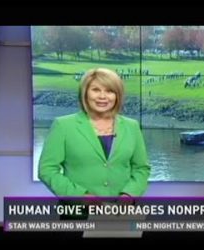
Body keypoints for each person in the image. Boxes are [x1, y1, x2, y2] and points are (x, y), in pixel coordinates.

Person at [39, 68, 150, 200]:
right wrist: (79, 195)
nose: (102, 96)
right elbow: (47, 170)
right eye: (96, 90)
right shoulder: (63, 126)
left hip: (121, 213)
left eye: (109, 91)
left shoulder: (132, 126)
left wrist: (129, 194)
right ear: (85, 93)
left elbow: (141, 168)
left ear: (117, 96)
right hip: (79, 214)